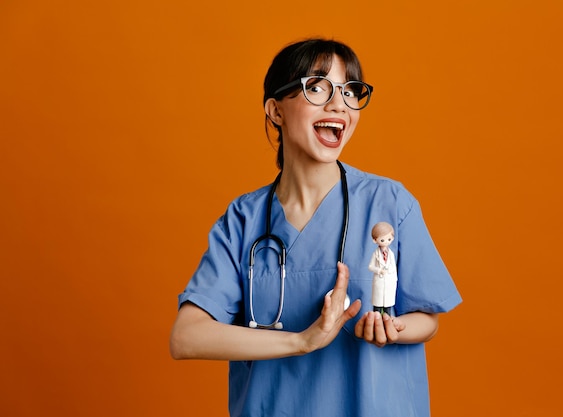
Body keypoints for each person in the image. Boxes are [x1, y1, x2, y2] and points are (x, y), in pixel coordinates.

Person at [170, 38, 462, 417]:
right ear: (275, 110)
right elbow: (186, 337)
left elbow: (427, 319)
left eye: (349, 91)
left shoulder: (388, 202)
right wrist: (303, 341)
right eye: (317, 87)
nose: (339, 104)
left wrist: (392, 328)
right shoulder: (244, 219)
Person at [368, 221, 397, 316]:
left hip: (389, 281)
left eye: (389, 239)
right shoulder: (375, 254)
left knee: (387, 306)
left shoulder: (391, 254)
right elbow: (370, 266)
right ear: (375, 240)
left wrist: (393, 278)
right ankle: (376, 320)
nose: (386, 242)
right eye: (382, 240)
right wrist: (379, 270)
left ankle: (387, 319)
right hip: (379, 281)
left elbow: (393, 267)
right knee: (378, 306)